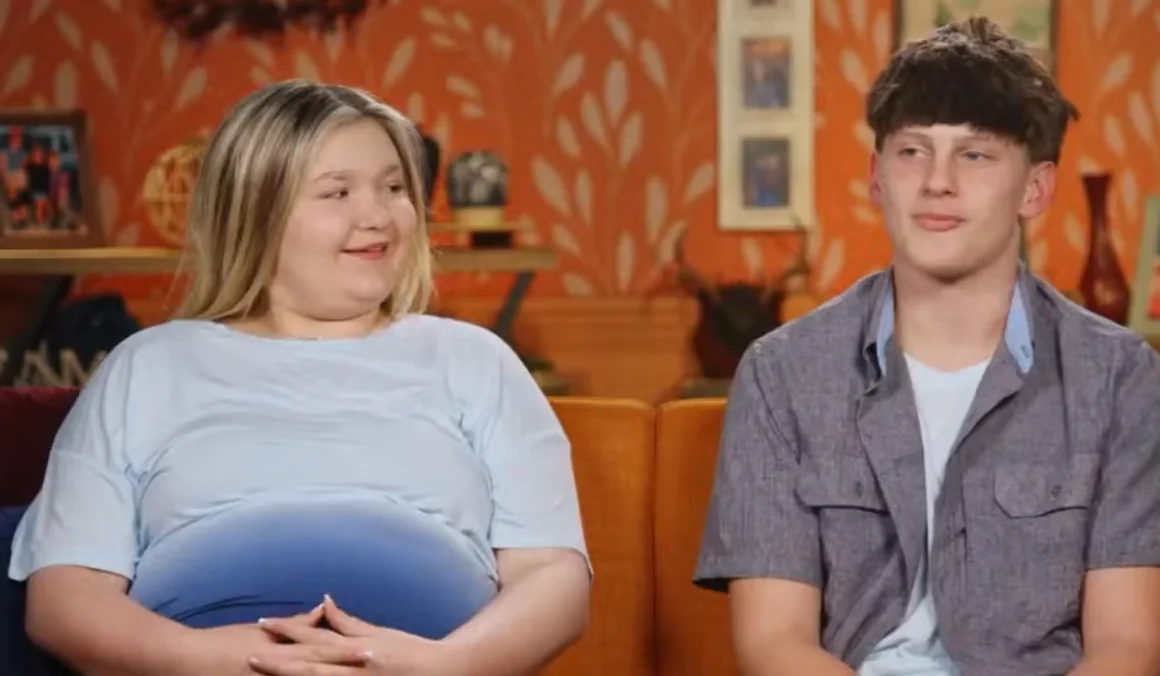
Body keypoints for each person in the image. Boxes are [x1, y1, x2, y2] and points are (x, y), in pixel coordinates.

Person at [7, 79, 591, 676]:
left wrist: (448, 666)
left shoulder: (477, 360)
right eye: (337, 192)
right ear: (256, 212)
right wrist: (206, 659)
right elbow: (64, 599)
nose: (378, 216)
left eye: (394, 188)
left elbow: (551, 573)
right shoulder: (146, 366)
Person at [694, 17, 1160, 676]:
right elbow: (773, 643)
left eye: (975, 155)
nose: (938, 180)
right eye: (913, 151)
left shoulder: (1120, 377)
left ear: (1036, 189)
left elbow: (1126, 647)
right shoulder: (782, 374)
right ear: (876, 177)